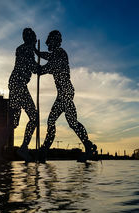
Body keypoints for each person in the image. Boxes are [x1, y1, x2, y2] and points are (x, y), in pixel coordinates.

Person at [36, 30, 97, 162]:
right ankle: (88, 146)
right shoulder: (57, 53)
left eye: (50, 41)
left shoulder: (60, 53)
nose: (47, 43)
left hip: (65, 92)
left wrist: (40, 69)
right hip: (65, 92)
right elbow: (47, 56)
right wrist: (37, 53)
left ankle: (44, 150)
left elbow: (51, 65)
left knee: (54, 121)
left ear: (54, 41)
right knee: (72, 122)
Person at [0, 28, 39, 162]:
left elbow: (32, 67)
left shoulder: (22, 49)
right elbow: (34, 68)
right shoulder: (26, 50)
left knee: (11, 124)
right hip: (19, 86)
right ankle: (23, 148)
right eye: (33, 39)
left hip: (17, 85)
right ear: (31, 39)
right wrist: (47, 66)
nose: (34, 42)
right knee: (34, 117)